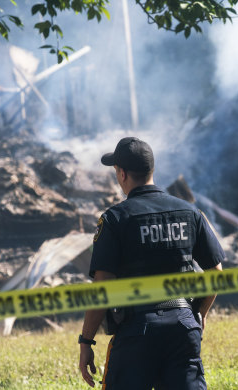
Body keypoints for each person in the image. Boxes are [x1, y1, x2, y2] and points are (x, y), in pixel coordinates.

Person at [78, 136, 225, 389]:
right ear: (151, 170)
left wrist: (86, 342)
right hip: (183, 329)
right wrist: (198, 314)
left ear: (122, 173)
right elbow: (216, 271)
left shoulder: (115, 220)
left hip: (137, 334)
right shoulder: (189, 212)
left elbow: (102, 287)